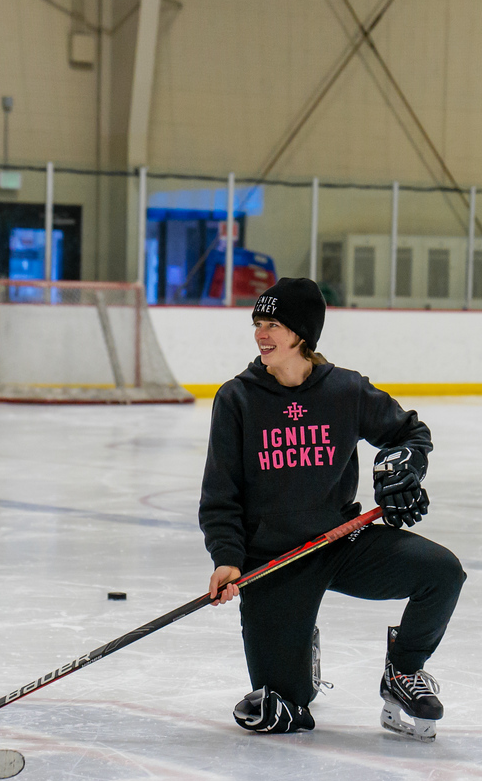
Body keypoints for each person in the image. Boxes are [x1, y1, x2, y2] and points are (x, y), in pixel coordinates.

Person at [199, 278, 465, 741]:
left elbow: (410, 434)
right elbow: (221, 493)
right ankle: (299, 656)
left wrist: (403, 466)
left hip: (341, 542)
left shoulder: (345, 390)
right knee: (286, 708)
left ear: (301, 333)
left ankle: (403, 671)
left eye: (273, 324)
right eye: (258, 324)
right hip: (274, 560)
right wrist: (227, 557)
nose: (261, 334)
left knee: (442, 573)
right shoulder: (237, 398)